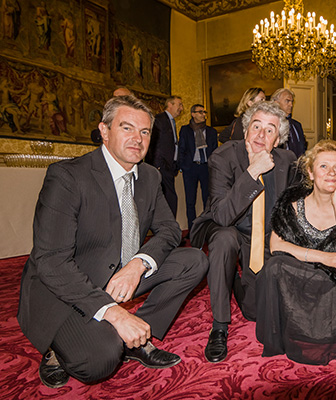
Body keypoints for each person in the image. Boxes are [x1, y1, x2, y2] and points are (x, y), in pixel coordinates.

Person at [17, 95, 207, 388]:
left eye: (145, 132)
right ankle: (57, 347)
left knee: (194, 259)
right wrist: (115, 314)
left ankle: (139, 337)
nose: (138, 139)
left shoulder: (150, 176)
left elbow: (169, 229)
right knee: (99, 361)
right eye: (127, 128)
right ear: (104, 131)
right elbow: (51, 261)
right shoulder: (67, 176)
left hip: (119, 274)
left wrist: (138, 264)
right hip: (67, 285)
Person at [256, 140, 336, 365]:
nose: (331, 173)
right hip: (301, 273)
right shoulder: (293, 203)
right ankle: (291, 331)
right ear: (310, 172)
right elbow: (276, 246)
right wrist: (323, 257)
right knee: (275, 266)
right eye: (323, 166)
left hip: (335, 282)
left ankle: (330, 333)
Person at [189, 101, 296, 363]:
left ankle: (237, 282)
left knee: (254, 312)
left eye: (270, 130)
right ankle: (219, 326)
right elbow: (223, 215)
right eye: (256, 126)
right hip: (230, 228)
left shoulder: (287, 161)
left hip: (267, 235)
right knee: (224, 240)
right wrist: (253, 171)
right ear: (246, 130)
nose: (261, 135)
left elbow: (293, 211)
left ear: (279, 139)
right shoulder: (222, 157)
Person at [177, 104, 218, 231]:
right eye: (200, 112)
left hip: (206, 168)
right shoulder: (185, 130)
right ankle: (193, 229)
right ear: (193, 114)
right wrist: (182, 166)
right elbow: (181, 149)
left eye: (204, 112)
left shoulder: (211, 131)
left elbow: (215, 152)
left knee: (208, 200)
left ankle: (206, 229)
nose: (203, 115)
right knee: (190, 201)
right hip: (191, 168)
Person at [146, 96, 184, 217]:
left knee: (169, 198)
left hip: (169, 167)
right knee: (169, 198)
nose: (182, 108)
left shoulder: (171, 121)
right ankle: (169, 229)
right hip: (161, 166)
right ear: (170, 105)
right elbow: (154, 143)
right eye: (179, 105)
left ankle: (168, 229)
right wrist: (158, 165)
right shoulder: (160, 119)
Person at [272, 87, 307, 157]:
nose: (291, 105)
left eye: (292, 102)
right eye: (287, 101)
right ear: (276, 103)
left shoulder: (297, 125)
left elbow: (302, 148)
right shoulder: (271, 124)